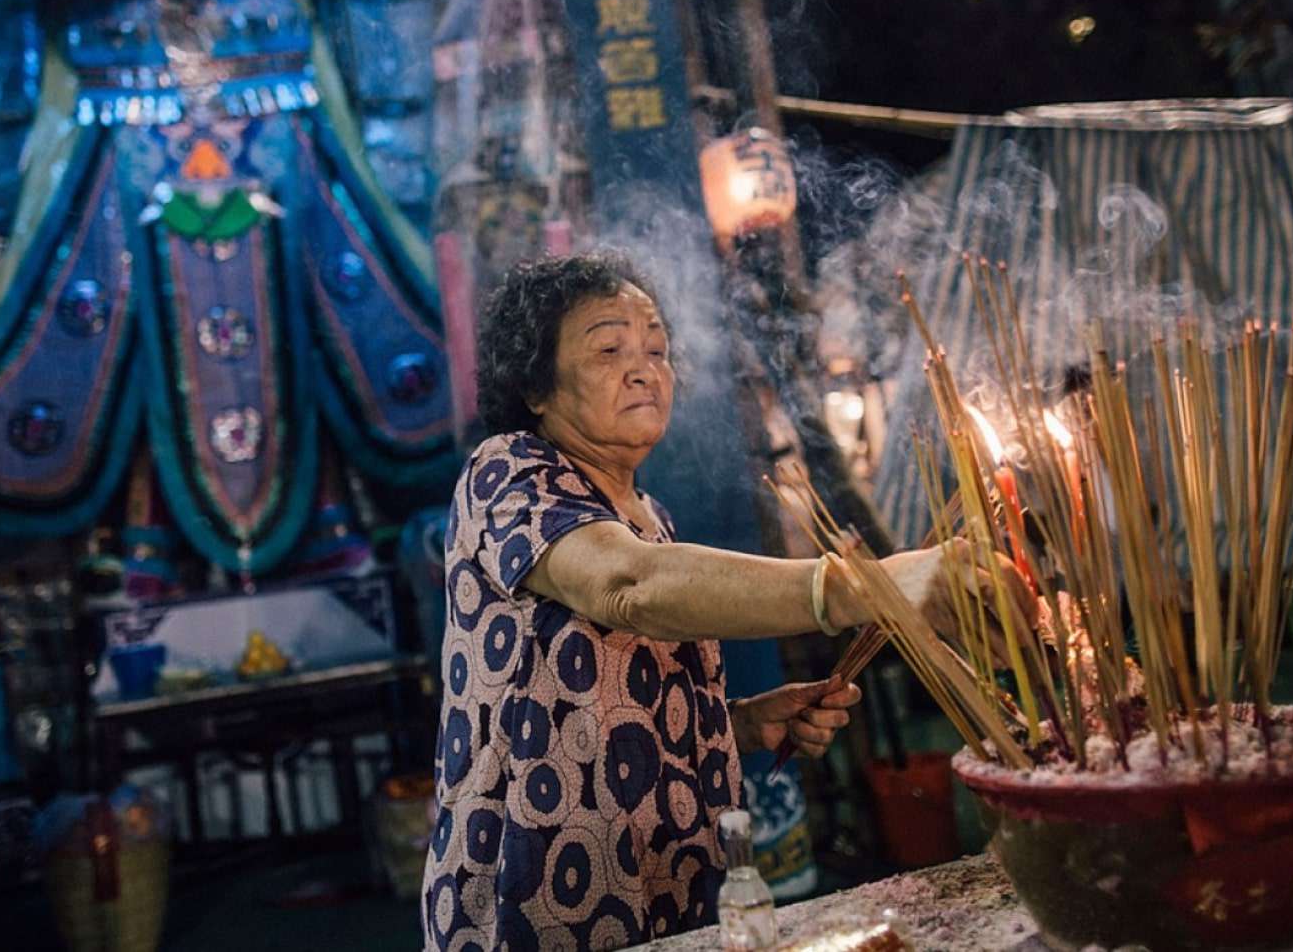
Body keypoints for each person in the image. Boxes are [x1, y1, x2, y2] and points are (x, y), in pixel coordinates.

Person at [420, 253, 1006, 950]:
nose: (644, 367)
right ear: (537, 386)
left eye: (658, 348)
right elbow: (629, 586)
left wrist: (742, 722)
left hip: (668, 886)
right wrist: (863, 585)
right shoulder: (509, 470)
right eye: (609, 348)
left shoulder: (651, 514)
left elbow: (606, 694)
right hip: (538, 895)